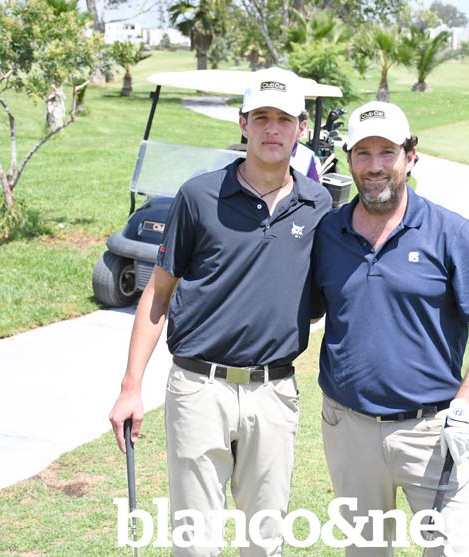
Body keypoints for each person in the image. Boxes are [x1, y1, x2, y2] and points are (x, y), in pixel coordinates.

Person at [108, 67, 332, 557]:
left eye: (284, 119)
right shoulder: (198, 197)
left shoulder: (318, 205)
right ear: (243, 123)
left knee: (265, 541)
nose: (272, 129)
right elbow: (157, 295)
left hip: (273, 391)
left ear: (301, 128)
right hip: (198, 388)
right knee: (195, 542)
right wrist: (130, 388)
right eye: (261, 117)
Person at [311, 101, 469, 557]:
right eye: (363, 153)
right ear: (349, 159)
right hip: (348, 427)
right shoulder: (328, 233)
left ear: (410, 156)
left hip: (431, 432)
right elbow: (307, 310)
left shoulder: (452, 233)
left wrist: (468, 402)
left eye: (387, 152)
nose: (375, 166)